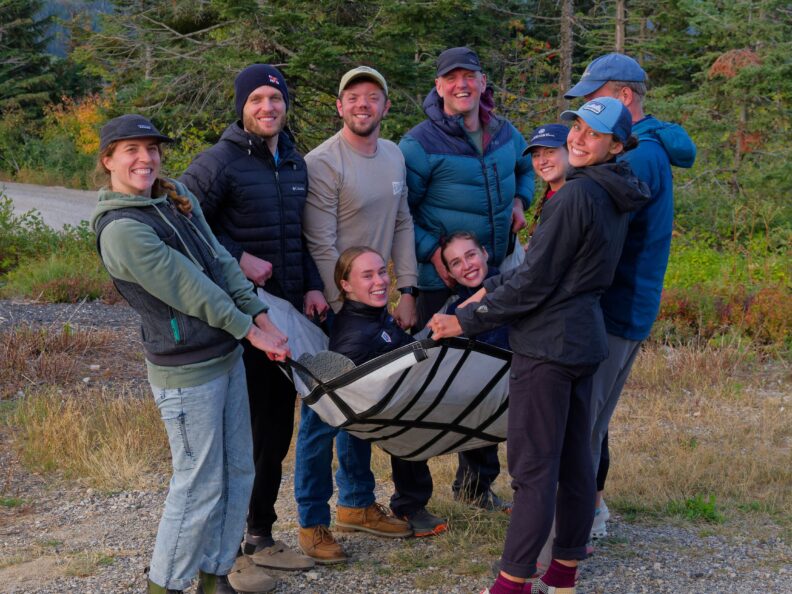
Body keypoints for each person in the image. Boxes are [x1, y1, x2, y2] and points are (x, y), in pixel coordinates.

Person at [429, 97, 650, 594]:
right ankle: (564, 574)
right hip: (583, 337)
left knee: (533, 469)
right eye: (577, 126)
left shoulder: (574, 196)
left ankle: (512, 582)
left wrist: (463, 322)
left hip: (548, 346)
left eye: (592, 134)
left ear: (615, 145)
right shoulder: (613, 190)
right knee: (575, 462)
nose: (577, 137)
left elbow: (533, 282)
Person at [90, 114, 290, 594]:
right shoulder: (121, 230)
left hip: (223, 355)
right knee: (197, 483)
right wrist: (249, 330)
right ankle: (166, 584)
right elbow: (192, 288)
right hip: (186, 373)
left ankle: (214, 574)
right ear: (108, 161)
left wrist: (258, 315)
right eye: (131, 150)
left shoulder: (174, 195)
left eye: (152, 148)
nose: (146, 158)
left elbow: (220, 262)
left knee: (238, 469)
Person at [181, 64, 327, 574]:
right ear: (242, 106)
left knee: (275, 430)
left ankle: (259, 534)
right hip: (237, 321)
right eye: (257, 99)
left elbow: (298, 236)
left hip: (282, 315)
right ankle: (222, 554)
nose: (268, 108)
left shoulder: (293, 162)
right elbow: (180, 224)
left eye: (276, 99)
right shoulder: (219, 161)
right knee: (239, 434)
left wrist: (310, 282)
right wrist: (238, 256)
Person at [393, 45, 535, 530]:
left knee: (488, 379)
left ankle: (476, 484)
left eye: (469, 77)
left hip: (493, 280)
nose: (461, 86)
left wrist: (521, 197)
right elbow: (402, 211)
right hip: (439, 285)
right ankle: (411, 501)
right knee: (422, 386)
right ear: (438, 87)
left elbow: (526, 165)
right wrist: (431, 250)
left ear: (481, 82)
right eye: (451, 78)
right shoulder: (418, 143)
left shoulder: (504, 132)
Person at [564, 53, 697, 539]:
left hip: (614, 308)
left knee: (582, 425)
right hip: (627, 306)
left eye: (593, 103)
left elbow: (601, 237)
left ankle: (574, 528)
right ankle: (591, 510)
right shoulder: (647, 145)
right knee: (592, 422)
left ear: (623, 98)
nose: (583, 121)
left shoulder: (637, 156)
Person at [296, 66, 415, 563]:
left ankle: (358, 503)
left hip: (377, 299)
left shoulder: (393, 154)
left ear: (385, 106)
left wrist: (406, 287)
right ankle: (312, 523)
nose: (363, 104)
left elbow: (403, 221)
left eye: (373, 96)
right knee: (323, 412)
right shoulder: (323, 161)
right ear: (339, 107)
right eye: (353, 97)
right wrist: (341, 304)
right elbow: (320, 240)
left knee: (365, 402)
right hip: (340, 305)